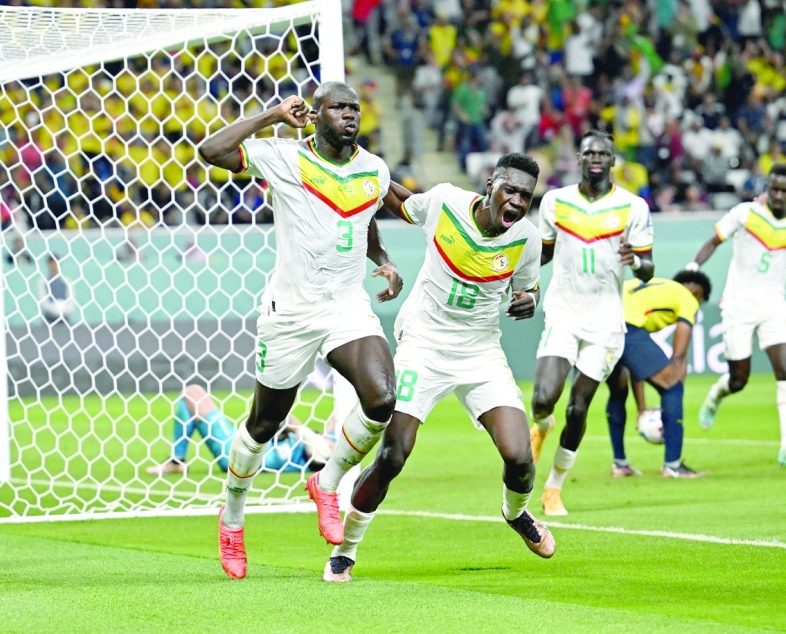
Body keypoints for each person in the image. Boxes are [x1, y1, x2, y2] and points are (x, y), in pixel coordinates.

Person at [198, 82, 402, 580]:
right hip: (289, 312)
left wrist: (383, 260)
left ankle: (326, 482)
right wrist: (271, 115)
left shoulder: (373, 169)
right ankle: (233, 516)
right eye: (339, 107)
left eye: (355, 108)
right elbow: (211, 151)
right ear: (316, 115)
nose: (350, 115)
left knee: (381, 398)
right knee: (263, 424)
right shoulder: (283, 156)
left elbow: (365, 215)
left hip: (345, 306)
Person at [323, 153, 555, 583]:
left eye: (527, 195)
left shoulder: (527, 239)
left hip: (481, 353)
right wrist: (364, 172)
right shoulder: (446, 203)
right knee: (393, 455)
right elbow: (400, 201)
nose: (519, 201)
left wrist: (529, 301)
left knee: (520, 457)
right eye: (512, 190)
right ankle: (345, 550)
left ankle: (517, 514)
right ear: (491, 185)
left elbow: (527, 288)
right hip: (424, 347)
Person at [529, 129, 655, 517]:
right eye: (589, 152)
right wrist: (521, 282)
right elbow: (542, 254)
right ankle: (541, 425)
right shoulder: (554, 201)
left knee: (578, 408)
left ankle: (553, 488)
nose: (596, 157)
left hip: (605, 322)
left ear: (613, 160)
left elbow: (648, 270)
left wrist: (635, 259)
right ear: (579, 158)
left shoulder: (633, 207)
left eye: (603, 152)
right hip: (563, 311)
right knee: (542, 399)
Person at [690, 164, 786, 467]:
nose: (776, 195)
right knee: (739, 380)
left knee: (785, 368)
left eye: (783, 191)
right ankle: (715, 396)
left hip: (773, 304)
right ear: (767, 186)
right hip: (737, 305)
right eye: (772, 188)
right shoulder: (745, 214)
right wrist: (693, 270)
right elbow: (713, 242)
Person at [606, 271, 713, 478]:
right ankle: (673, 466)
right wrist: (675, 387)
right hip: (625, 326)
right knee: (672, 386)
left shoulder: (654, 287)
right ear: (695, 291)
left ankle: (620, 464)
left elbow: (637, 367)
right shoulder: (687, 297)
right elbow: (679, 357)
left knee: (618, 388)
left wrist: (642, 409)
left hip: (597, 323)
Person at [146, 385, 334, 476]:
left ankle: (176, 460)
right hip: (249, 447)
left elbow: (319, 458)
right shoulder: (335, 438)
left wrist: (304, 433)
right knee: (189, 399)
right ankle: (177, 460)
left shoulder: (328, 454)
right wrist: (303, 432)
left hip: (240, 454)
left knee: (192, 393)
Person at [37, 254, 74, 323]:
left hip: (65, 320)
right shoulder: (43, 282)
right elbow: (44, 302)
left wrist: (64, 311)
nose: (54, 266)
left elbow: (71, 301)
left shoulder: (67, 281)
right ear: (48, 264)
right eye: (52, 263)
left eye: (56, 263)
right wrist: (56, 311)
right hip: (49, 320)